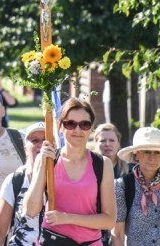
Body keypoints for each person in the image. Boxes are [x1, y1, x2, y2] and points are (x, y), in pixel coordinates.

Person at [23, 98, 116, 245]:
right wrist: (42, 163)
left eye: (84, 124)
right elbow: (30, 210)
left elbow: (109, 220)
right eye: (70, 124)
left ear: (91, 128)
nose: (77, 130)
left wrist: (66, 218)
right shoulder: (48, 161)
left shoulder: (103, 164)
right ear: (60, 127)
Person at [0, 122, 46, 246]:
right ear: (25, 148)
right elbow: (0, 231)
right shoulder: (15, 180)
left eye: (45, 140)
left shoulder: (65, 178)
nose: (40, 145)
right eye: (35, 140)